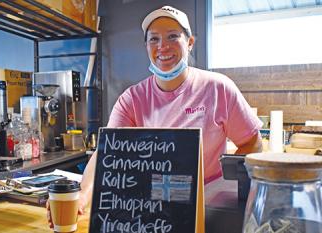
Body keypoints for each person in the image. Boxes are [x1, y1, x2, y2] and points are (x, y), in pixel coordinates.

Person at [47, 5, 262, 228]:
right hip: (153, 205)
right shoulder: (131, 99)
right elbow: (105, 152)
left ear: (190, 43)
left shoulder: (219, 88)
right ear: (146, 46)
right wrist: (82, 194)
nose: (163, 46)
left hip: (210, 204)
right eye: (154, 39)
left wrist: (220, 188)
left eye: (172, 36)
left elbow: (252, 143)